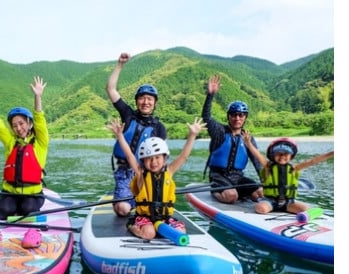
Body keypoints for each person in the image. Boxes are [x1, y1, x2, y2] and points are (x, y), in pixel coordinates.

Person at [107, 117, 206, 240]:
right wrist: (120, 136)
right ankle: (132, 225)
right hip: (145, 217)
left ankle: (157, 228)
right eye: (149, 158)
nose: (154, 162)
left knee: (181, 230)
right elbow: (129, 155)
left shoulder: (169, 171)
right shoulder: (140, 173)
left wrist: (192, 135)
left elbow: (184, 156)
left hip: (164, 217)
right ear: (143, 160)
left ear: (164, 158)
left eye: (158, 157)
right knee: (149, 234)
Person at [0, 76, 48, 219]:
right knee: (4, 212)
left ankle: (28, 206)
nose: (18, 128)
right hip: (10, 192)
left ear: (30, 124)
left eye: (21, 123)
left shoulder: (40, 142)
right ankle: (11, 205)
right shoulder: (11, 142)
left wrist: (37, 97)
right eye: (14, 125)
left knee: (27, 210)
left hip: (32, 193)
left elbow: (40, 119)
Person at [106, 52, 167, 217]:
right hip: (125, 172)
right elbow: (110, 89)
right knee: (123, 210)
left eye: (149, 99)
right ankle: (124, 200)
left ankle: (135, 200)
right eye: (142, 98)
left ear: (154, 103)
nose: (146, 102)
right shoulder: (128, 115)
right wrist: (120, 65)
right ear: (137, 101)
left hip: (146, 172)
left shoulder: (159, 128)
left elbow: (161, 158)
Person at [201, 75, 263, 204]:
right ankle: (216, 192)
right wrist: (210, 95)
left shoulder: (247, 138)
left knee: (260, 193)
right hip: (218, 176)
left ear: (245, 117)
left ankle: (238, 192)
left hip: (237, 177)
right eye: (234, 115)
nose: (237, 118)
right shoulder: (219, 131)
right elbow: (206, 117)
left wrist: (266, 181)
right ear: (229, 116)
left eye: (241, 115)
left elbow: (257, 163)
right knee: (231, 196)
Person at [243, 134, 334, 214]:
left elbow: (312, 161)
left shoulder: (294, 168)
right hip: (270, 201)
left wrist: (331, 154)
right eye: (279, 154)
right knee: (260, 209)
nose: (282, 157)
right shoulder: (268, 167)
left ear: (291, 156)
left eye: (286, 154)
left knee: (306, 209)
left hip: (288, 202)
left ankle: (293, 211)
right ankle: (260, 200)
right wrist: (249, 144)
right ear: (273, 155)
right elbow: (258, 156)